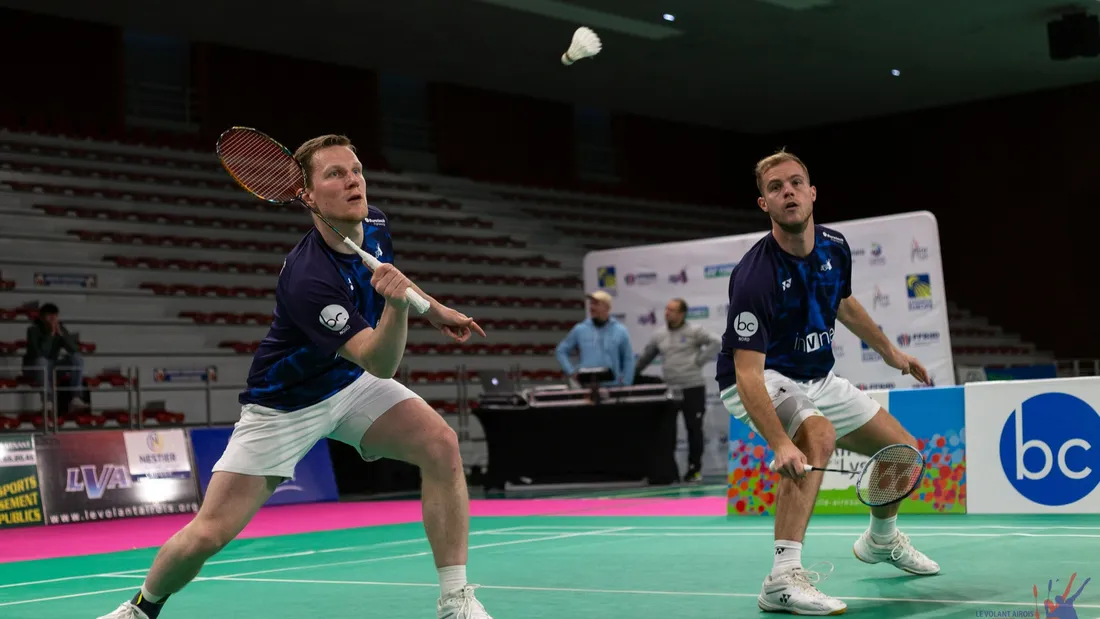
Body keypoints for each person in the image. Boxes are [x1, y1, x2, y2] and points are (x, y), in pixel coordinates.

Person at [96, 134, 492, 619]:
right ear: (306, 195)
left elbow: (392, 278)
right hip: (286, 404)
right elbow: (380, 362)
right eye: (335, 174)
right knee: (209, 533)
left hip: (347, 383)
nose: (353, 181)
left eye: (356, 170)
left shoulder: (375, 222)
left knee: (441, 444)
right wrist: (398, 308)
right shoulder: (308, 278)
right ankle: (140, 608)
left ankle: (455, 601)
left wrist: (435, 310)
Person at [716, 149, 940, 616]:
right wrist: (781, 443)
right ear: (764, 204)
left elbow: (843, 302)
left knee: (902, 452)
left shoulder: (835, 246)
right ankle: (781, 579)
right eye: (776, 188)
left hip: (817, 376)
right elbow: (747, 373)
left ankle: (881, 540)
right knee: (816, 436)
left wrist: (891, 353)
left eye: (796, 183)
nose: (788, 192)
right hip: (760, 378)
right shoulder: (755, 276)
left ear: (812, 192)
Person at [634, 298, 721, 482]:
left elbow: (716, 342)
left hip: (693, 387)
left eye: (672, 310)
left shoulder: (694, 331)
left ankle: (694, 470)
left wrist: (698, 361)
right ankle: (668, 472)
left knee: (694, 429)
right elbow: (646, 357)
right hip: (670, 390)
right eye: (666, 309)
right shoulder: (659, 335)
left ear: (682, 314)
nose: (667, 313)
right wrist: (630, 375)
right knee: (667, 432)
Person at [554, 290, 634, 387]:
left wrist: (626, 383)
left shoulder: (620, 331)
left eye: (596, 304)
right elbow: (561, 351)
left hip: (613, 387)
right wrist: (571, 372)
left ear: (607, 307)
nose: (591, 307)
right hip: (587, 387)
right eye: (591, 304)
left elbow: (628, 359)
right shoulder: (580, 329)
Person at [22, 303, 87, 411]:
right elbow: (39, 353)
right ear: (42, 317)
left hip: (52, 365)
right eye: (49, 316)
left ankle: (76, 397)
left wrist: (61, 334)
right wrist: (51, 334)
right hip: (34, 367)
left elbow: (74, 349)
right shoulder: (33, 330)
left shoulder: (61, 328)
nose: (53, 319)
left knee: (77, 358)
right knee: (41, 361)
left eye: (55, 315)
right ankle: (47, 399)